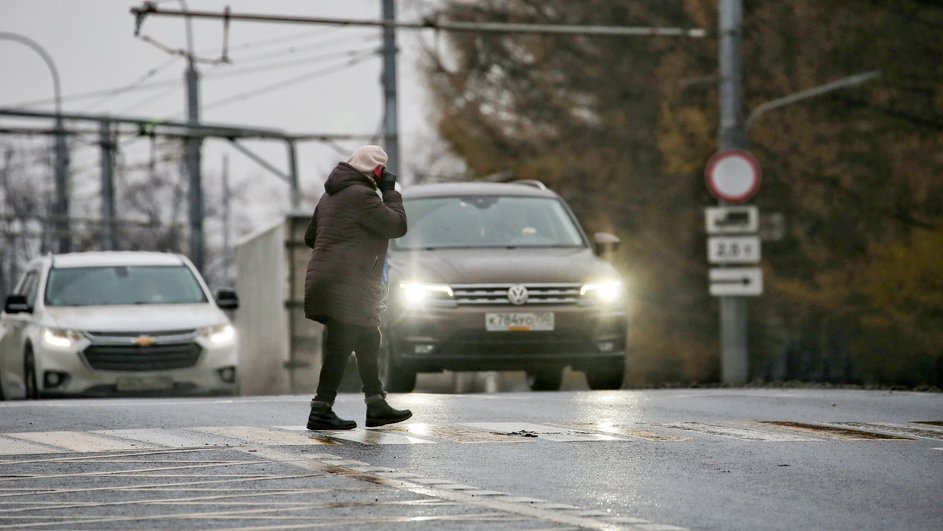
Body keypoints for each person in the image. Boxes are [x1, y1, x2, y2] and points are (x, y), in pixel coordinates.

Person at [303, 145, 412, 430]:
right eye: (382, 171)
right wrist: (391, 191)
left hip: (332, 281)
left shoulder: (329, 196)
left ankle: (375, 403)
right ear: (375, 170)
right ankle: (321, 409)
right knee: (340, 345)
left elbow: (310, 236)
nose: (383, 175)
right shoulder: (362, 196)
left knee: (367, 338)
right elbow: (397, 225)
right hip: (347, 284)